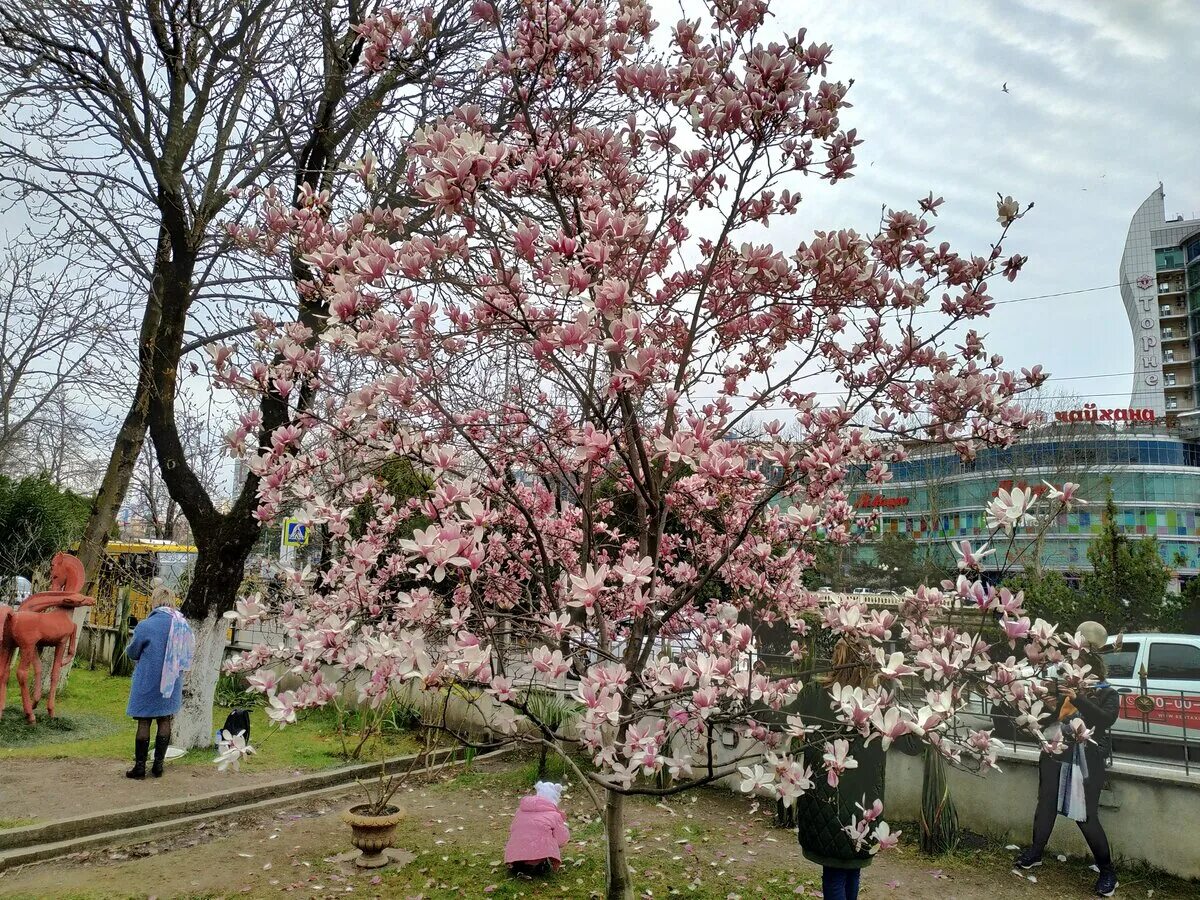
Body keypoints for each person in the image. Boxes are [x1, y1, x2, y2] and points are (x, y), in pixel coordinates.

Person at [794, 638, 920, 900]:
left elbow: (779, 719)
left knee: (837, 873)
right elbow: (913, 745)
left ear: (834, 660)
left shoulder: (814, 694)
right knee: (849, 870)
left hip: (825, 800)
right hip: (864, 803)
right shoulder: (878, 703)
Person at [1014, 621, 1120, 897]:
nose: (1071, 664)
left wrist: (1079, 699)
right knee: (1046, 804)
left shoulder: (1107, 692)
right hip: (1056, 752)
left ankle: (1107, 871)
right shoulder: (1060, 687)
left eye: (1078, 660)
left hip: (1087, 760)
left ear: (1090, 664)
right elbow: (1049, 717)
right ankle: (1035, 853)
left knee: (1085, 816)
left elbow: (1105, 719)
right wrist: (1030, 712)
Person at [124, 584, 194, 779]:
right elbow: (188, 653)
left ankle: (139, 768)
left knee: (144, 721)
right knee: (165, 719)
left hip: (148, 680)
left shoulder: (145, 625)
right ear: (172, 602)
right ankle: (158, 766)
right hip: (172, 682)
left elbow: (133, 652)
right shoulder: (182, 625)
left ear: (154, 601)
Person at [504, 781, 571, 876]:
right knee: (547, 838)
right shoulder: (554, 815)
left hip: (514, 859)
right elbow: (561, 840)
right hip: (538, 860)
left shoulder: (520, 811)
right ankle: (539, 865)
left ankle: (519, 866)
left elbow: (513, 829)